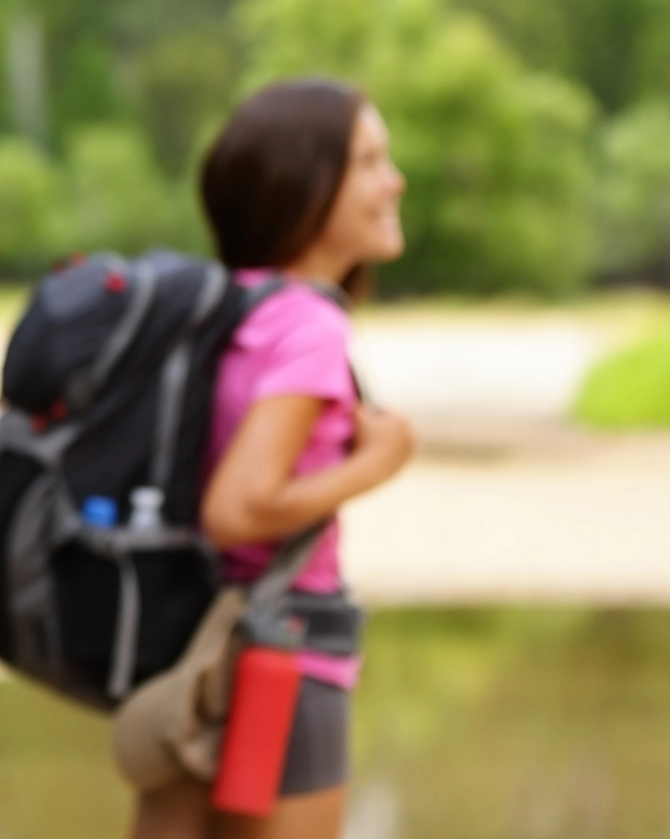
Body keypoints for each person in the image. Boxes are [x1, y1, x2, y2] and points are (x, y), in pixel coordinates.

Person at [130, 79, 416, 839]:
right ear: (307, 183)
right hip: (282, 660)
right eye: (369, 161)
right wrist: (378, 463)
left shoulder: (232, 305)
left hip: (190, 655)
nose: (395, 181)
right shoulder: (310, 326)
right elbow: (239, 509)